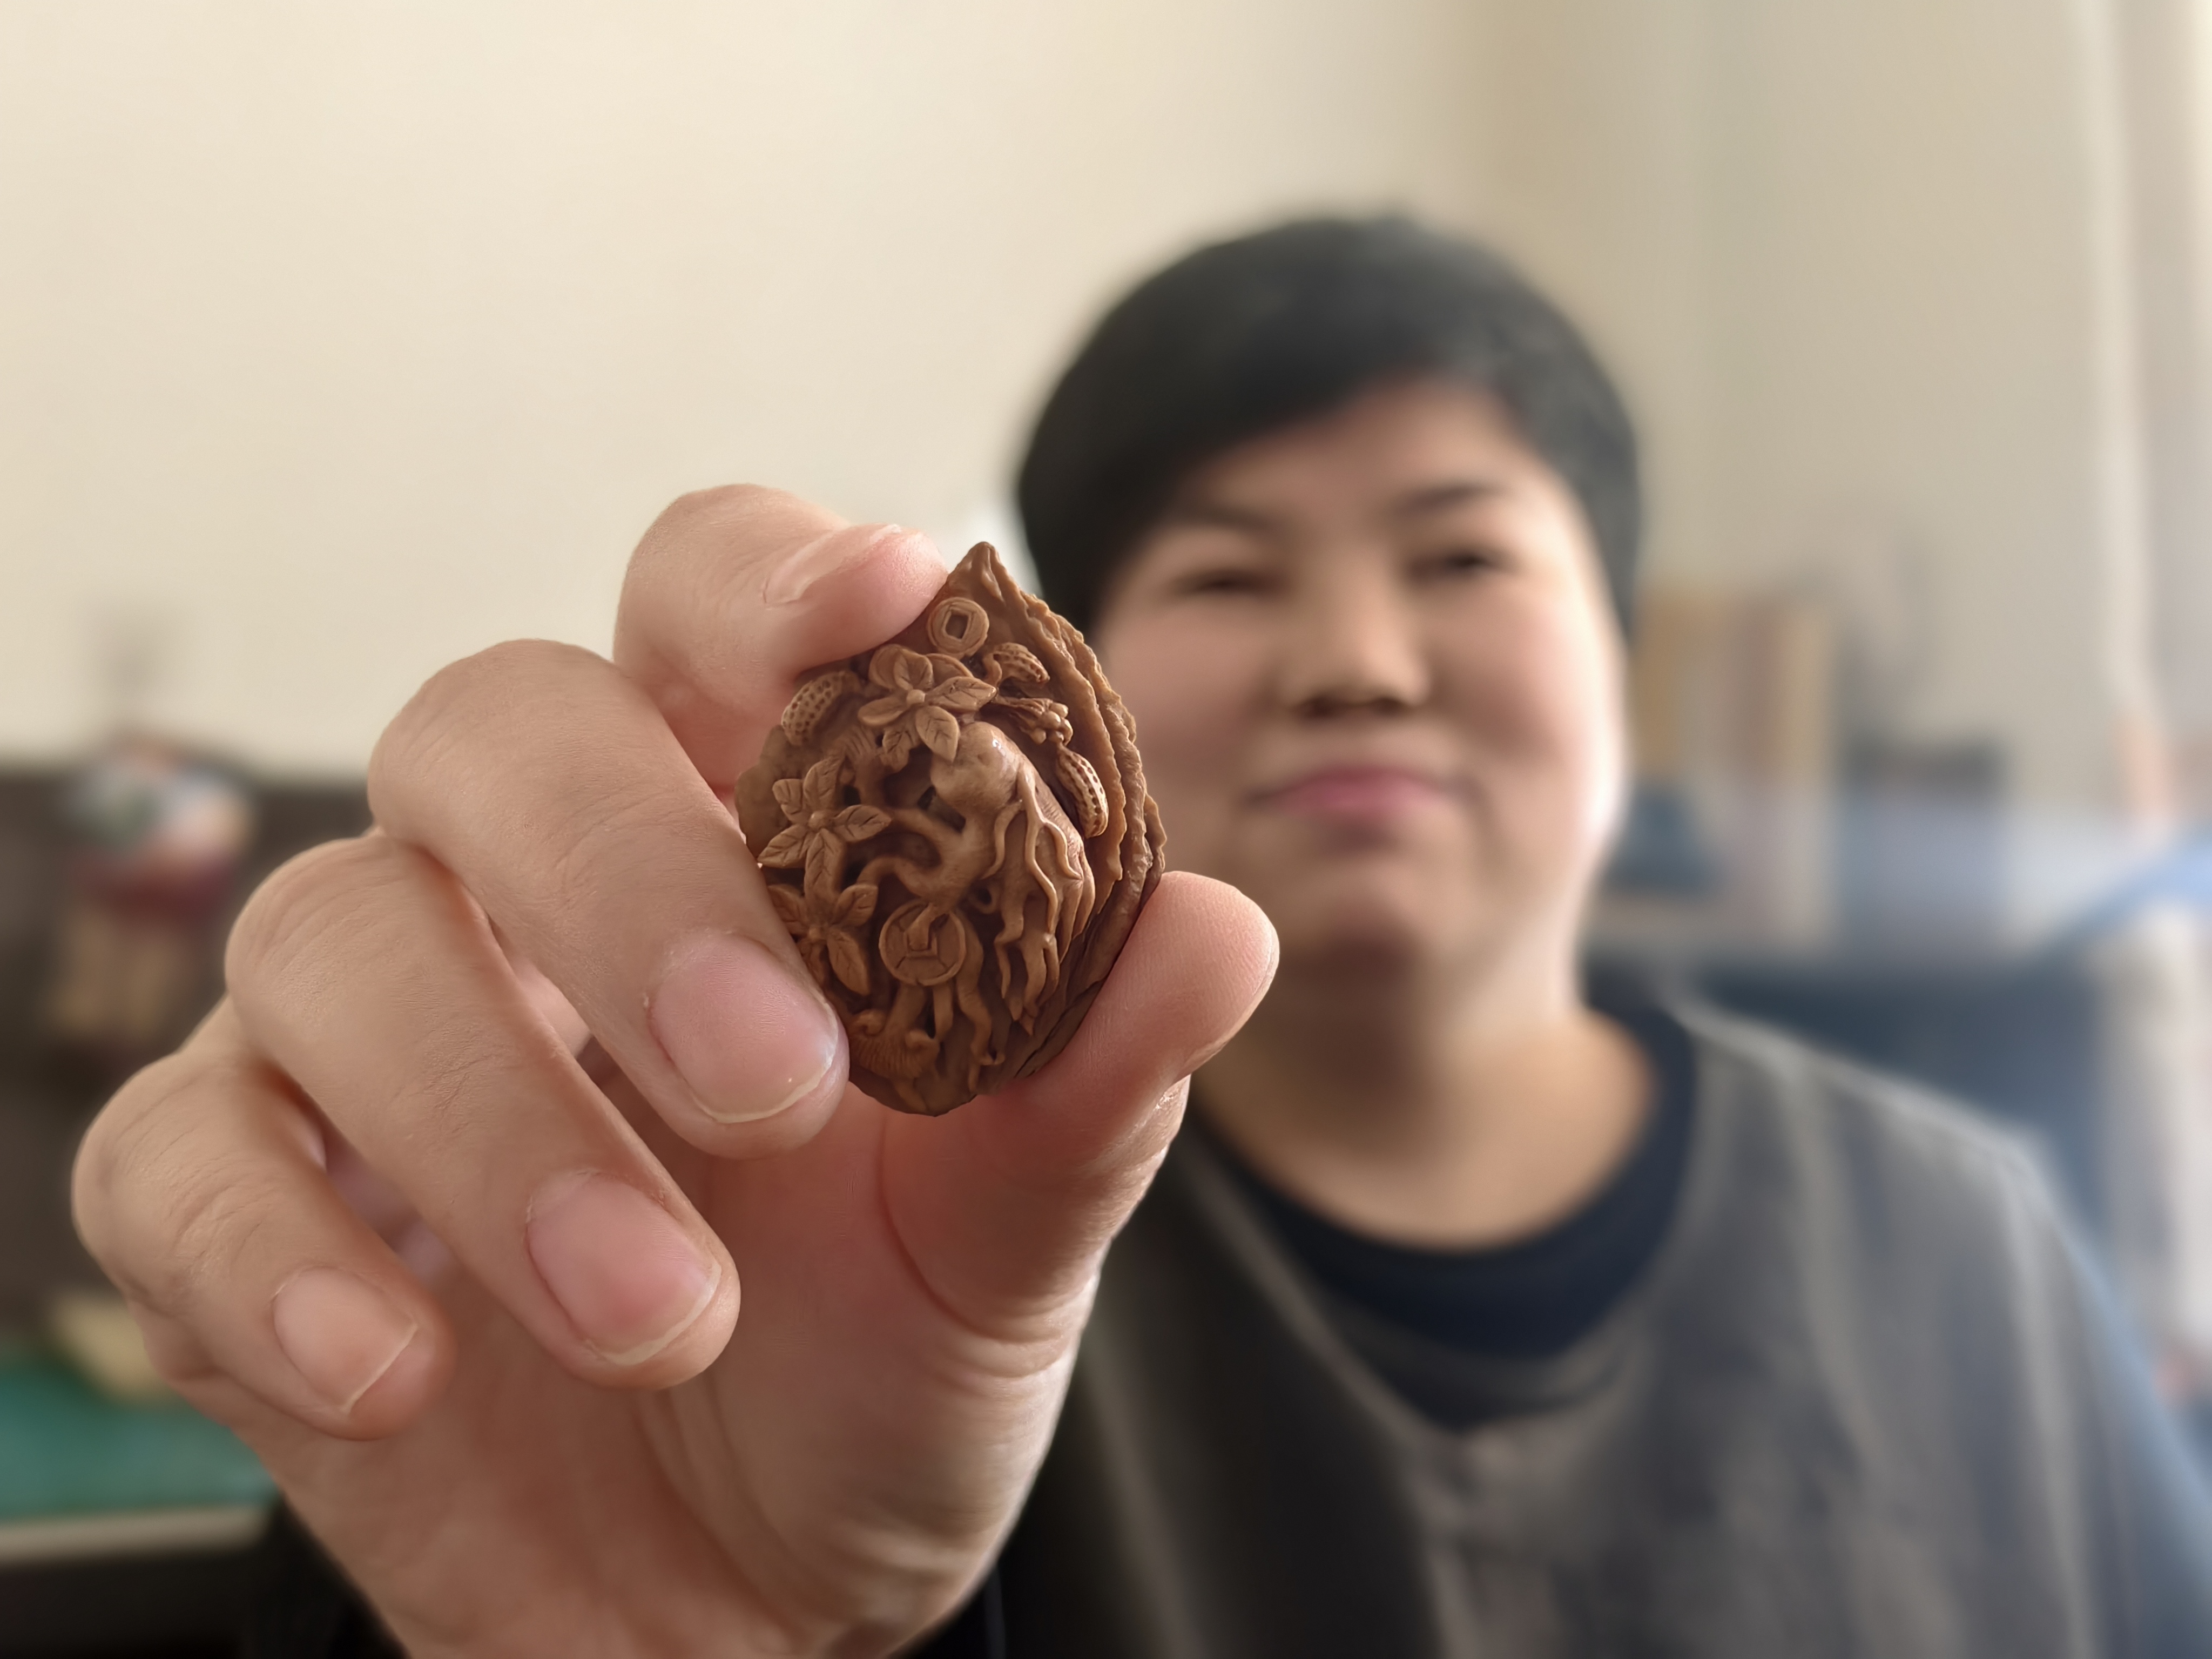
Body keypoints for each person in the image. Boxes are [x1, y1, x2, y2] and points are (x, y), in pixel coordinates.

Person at [71, 219, 2212, 1657]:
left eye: (1463, 559)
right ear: (1070, 675)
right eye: (1229, 576)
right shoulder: (831, 1283)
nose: (1357, 662)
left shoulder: (1972, 1250)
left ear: (1625, 662)